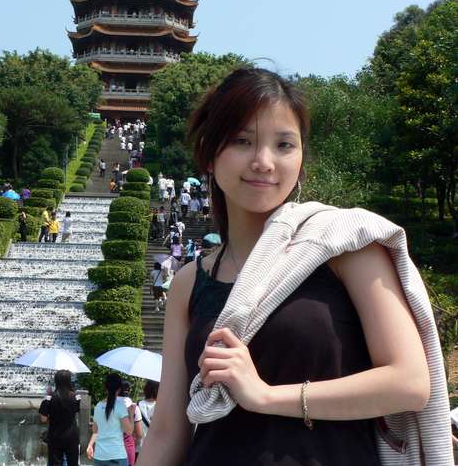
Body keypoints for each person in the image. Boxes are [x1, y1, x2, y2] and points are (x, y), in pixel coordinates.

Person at [135, 68, 447, 466]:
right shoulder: (189, 282)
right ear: (209, 154)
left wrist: (265, 396)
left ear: (300, 160)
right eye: (242, 141)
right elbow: (167, 432)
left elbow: (409, 382)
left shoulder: (344, 247)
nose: (264, 162)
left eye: (284, 144)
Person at [86, 373, 135, 465]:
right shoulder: (120, 406)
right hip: (117, 455)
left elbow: (95, 430)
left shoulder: (98, 406)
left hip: (99, 455)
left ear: (105, 387)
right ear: (119, 388)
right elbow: (129, 431)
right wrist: (131, 415)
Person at [39, 370, 80, 466]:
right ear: (69, 380)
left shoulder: (49, 398)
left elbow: (43, 419)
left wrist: (48, 394)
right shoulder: (76, 397)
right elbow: (76, 411)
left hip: (55, 436)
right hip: (72, 436)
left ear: (56, 381)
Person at [120, 381, 143, 466]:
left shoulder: (107, 406)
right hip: (127, 449)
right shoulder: (134, 407)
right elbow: (139, 434)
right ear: (129, 391)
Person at [136, 380, 159, 460]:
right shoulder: (160, 407)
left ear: (145, 389)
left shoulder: (137, 404)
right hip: (154, 447)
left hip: (138, 446)